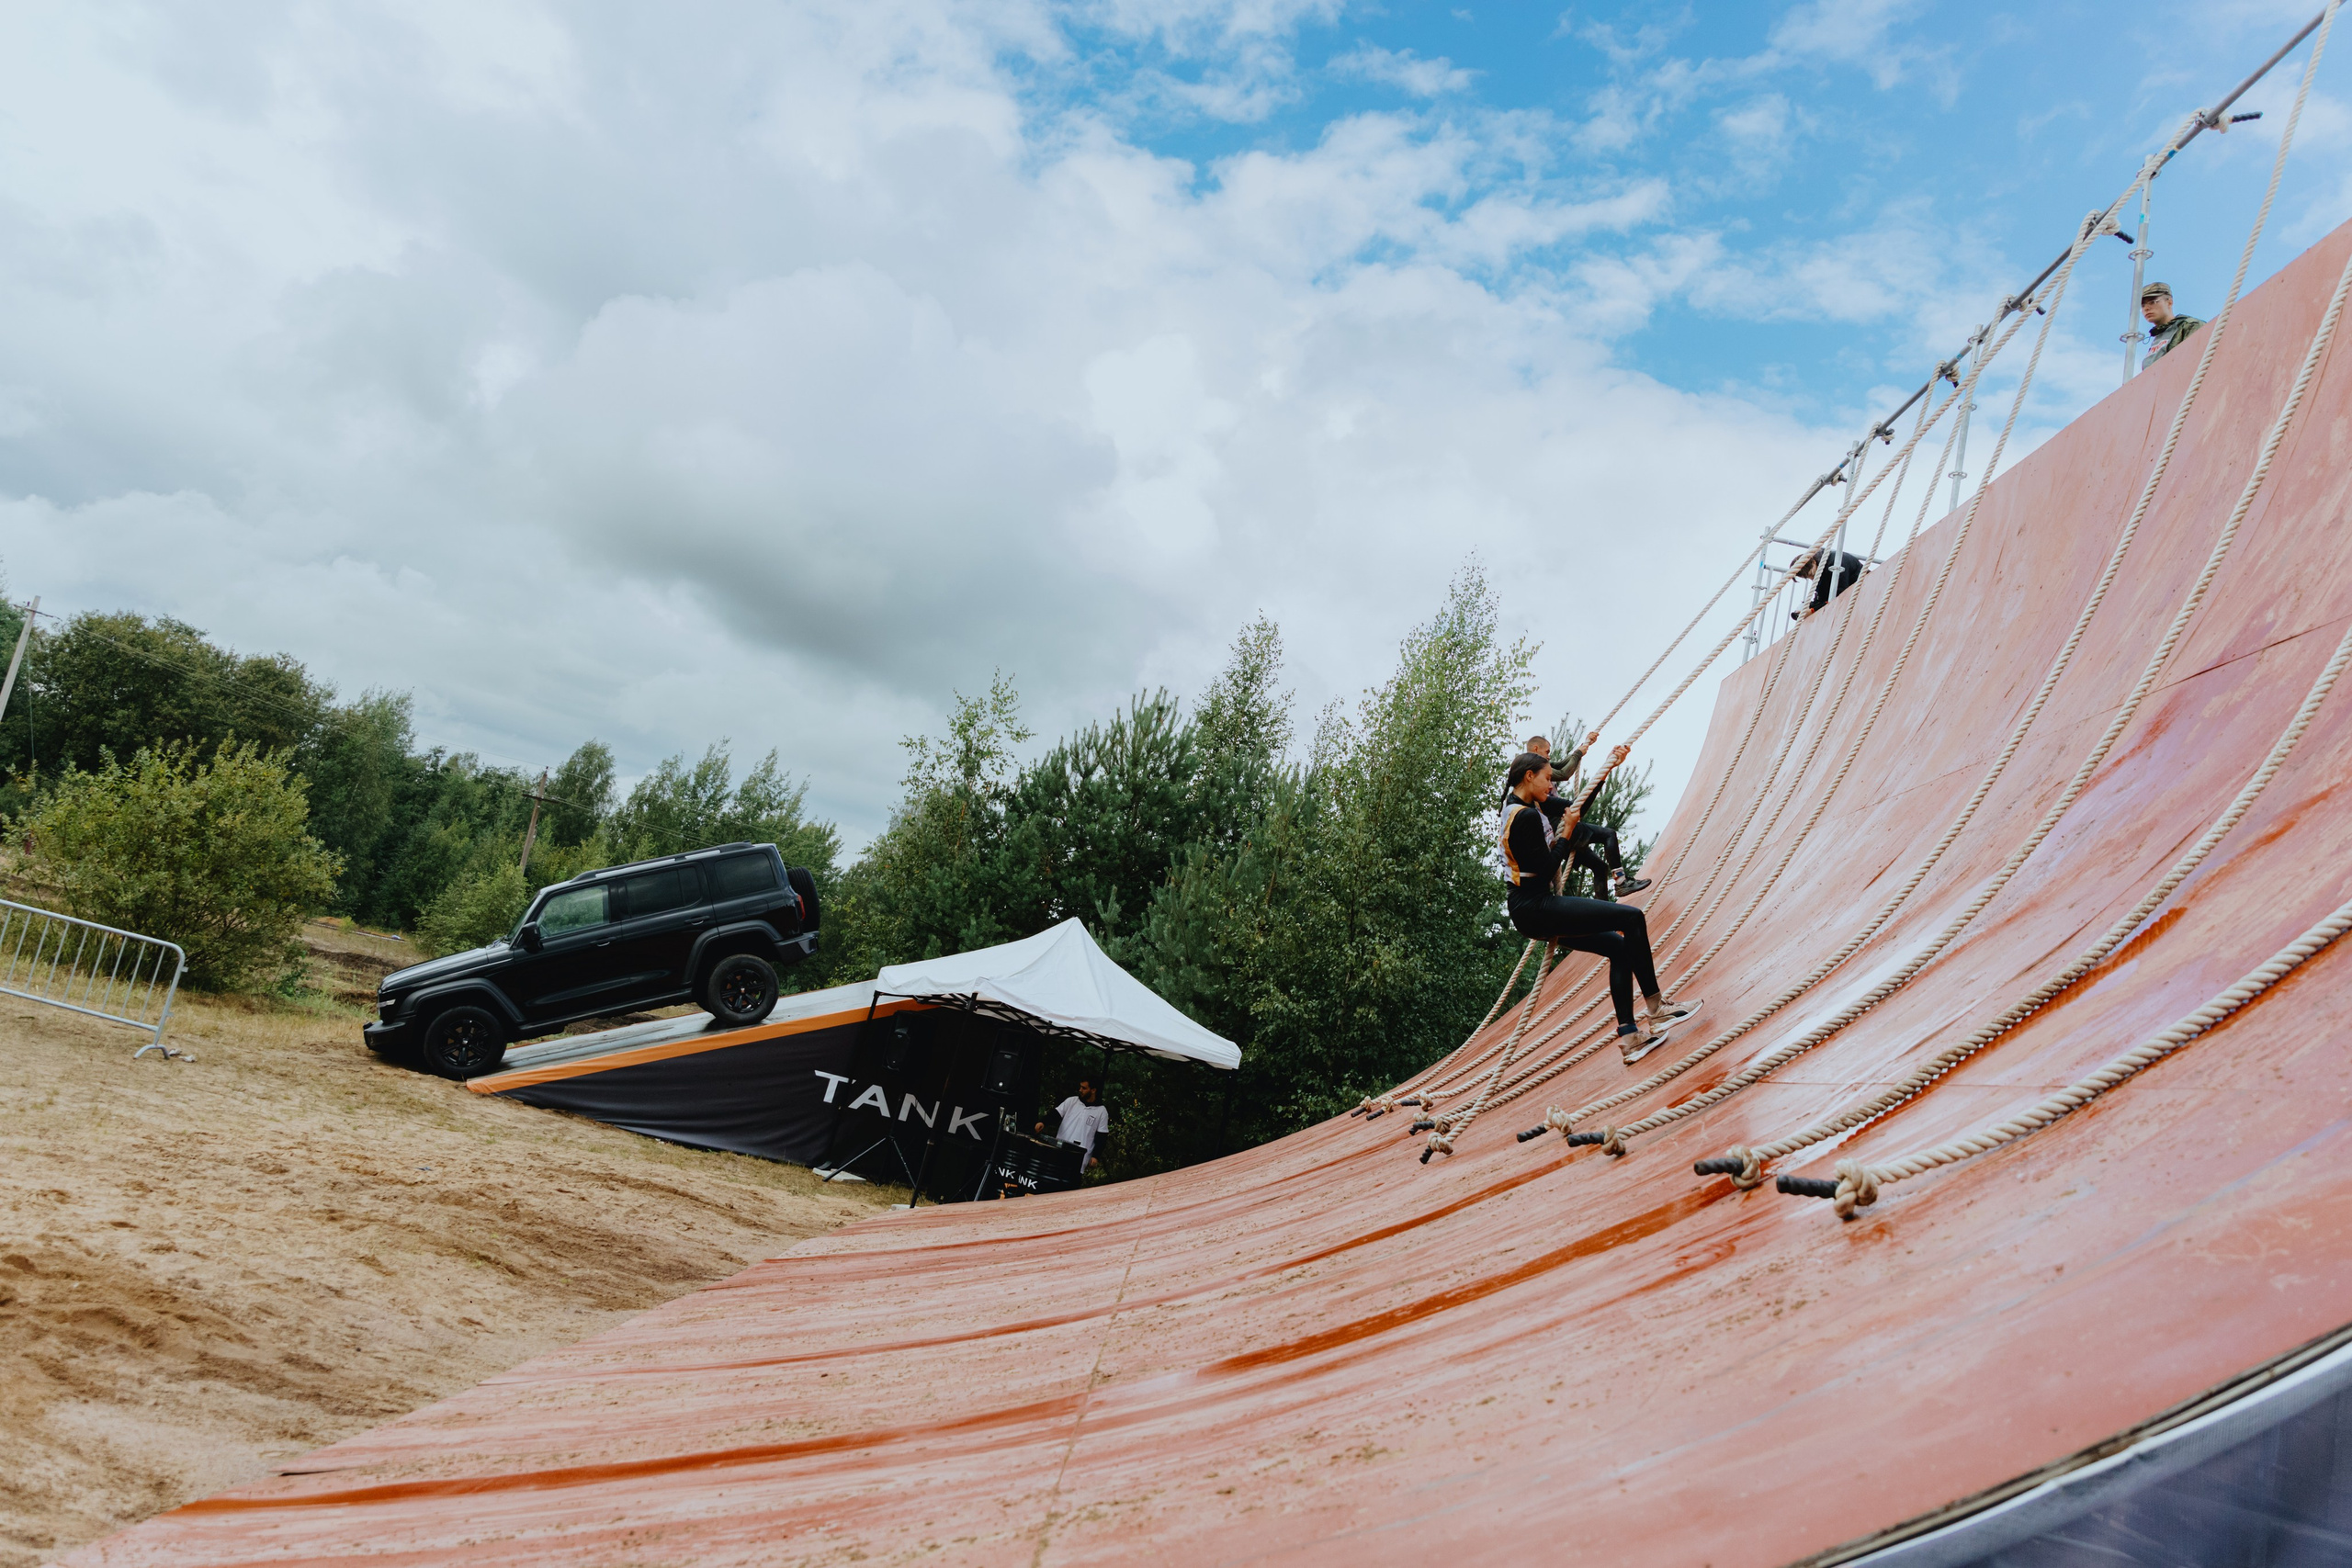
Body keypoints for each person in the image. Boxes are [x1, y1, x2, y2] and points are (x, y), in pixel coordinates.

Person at [1499, 750, 1694, 1061]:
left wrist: (1606, 771)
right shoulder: (1524, 817)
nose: (1552, 786)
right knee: (1632, 918)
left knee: (1618, 948)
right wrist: (1565, 833)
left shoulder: (1518, 804)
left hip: (1531, 907)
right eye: (1548, 778)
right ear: (1529, 776)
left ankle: (1630, 1038)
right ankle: (1657, 1008)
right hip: (1536, 906)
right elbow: (1549, 867)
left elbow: (1576, 808)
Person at [1513, 732, 1649, 898]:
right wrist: (1603, 768)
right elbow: (1565, 775)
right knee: (1608, 835)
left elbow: (1564, 765)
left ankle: (1604, 917)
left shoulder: (1541, 771)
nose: (1550, 786)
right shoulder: (1533, 796)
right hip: (1560, 826)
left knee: (1599, 867)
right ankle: (1621, 881)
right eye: (1547, 779)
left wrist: (1583, 748)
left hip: (1560, 829)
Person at [1037, 1078, 1110, 1173]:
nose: (1080, 1090)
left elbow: (1102, 1137)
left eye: (1084, 1088)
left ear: (1093, 1090)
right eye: (1080, 1087)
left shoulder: (1101, 1111)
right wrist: (1043, 1122)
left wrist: (1096, 1156)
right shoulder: (1072, 1101)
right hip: (1059, 1151)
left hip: (1080, 1159)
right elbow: (1056, 1114)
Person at [2140, 282, 2205, 367]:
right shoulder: (2157, 339)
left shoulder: (2190, 326)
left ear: (2169, 302)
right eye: (2143, 305)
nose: (2146, 308)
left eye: (2152, 302)